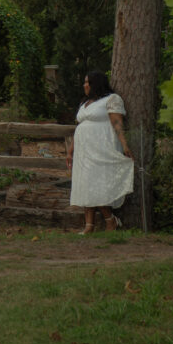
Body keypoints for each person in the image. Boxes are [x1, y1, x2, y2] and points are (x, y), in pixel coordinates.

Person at [65, 70, 134, 235]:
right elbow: (79, 127)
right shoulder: (85, 103)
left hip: (102, 147)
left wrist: (125, 145)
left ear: (96, 84)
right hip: (84, 151)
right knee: (85, 184)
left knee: (98, 184)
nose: (85, 85)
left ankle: (111, 220)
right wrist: (70, 150)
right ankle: (89, 225)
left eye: (88, 82)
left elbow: (117, 122)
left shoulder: (111, 100)